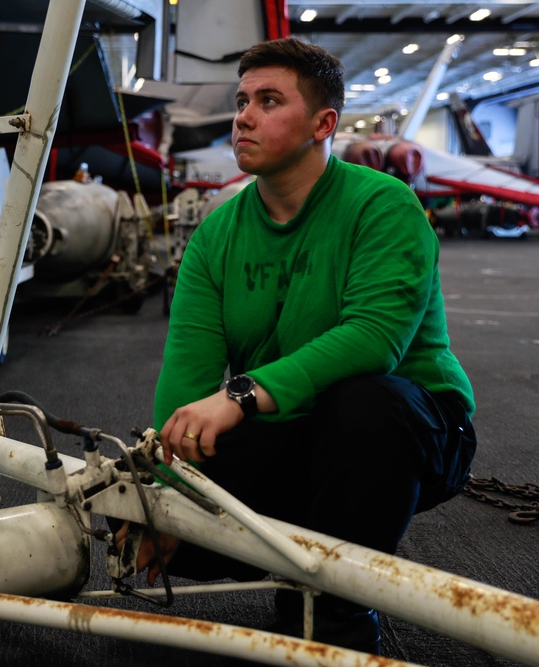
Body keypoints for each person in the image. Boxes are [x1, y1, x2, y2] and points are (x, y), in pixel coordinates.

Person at [134, 37, 477, 656]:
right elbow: (186, 377)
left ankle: (339, 617)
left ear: (324, 124)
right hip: (294, 429)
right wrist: (165, 494)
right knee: (138, 502)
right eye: (242, 101)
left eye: (269, 101)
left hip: (413, 429)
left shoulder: (384, 206)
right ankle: (310, 553)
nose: (244, 116)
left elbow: (374, 341)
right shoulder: (216, 237)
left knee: (364, 405)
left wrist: (239, 394)